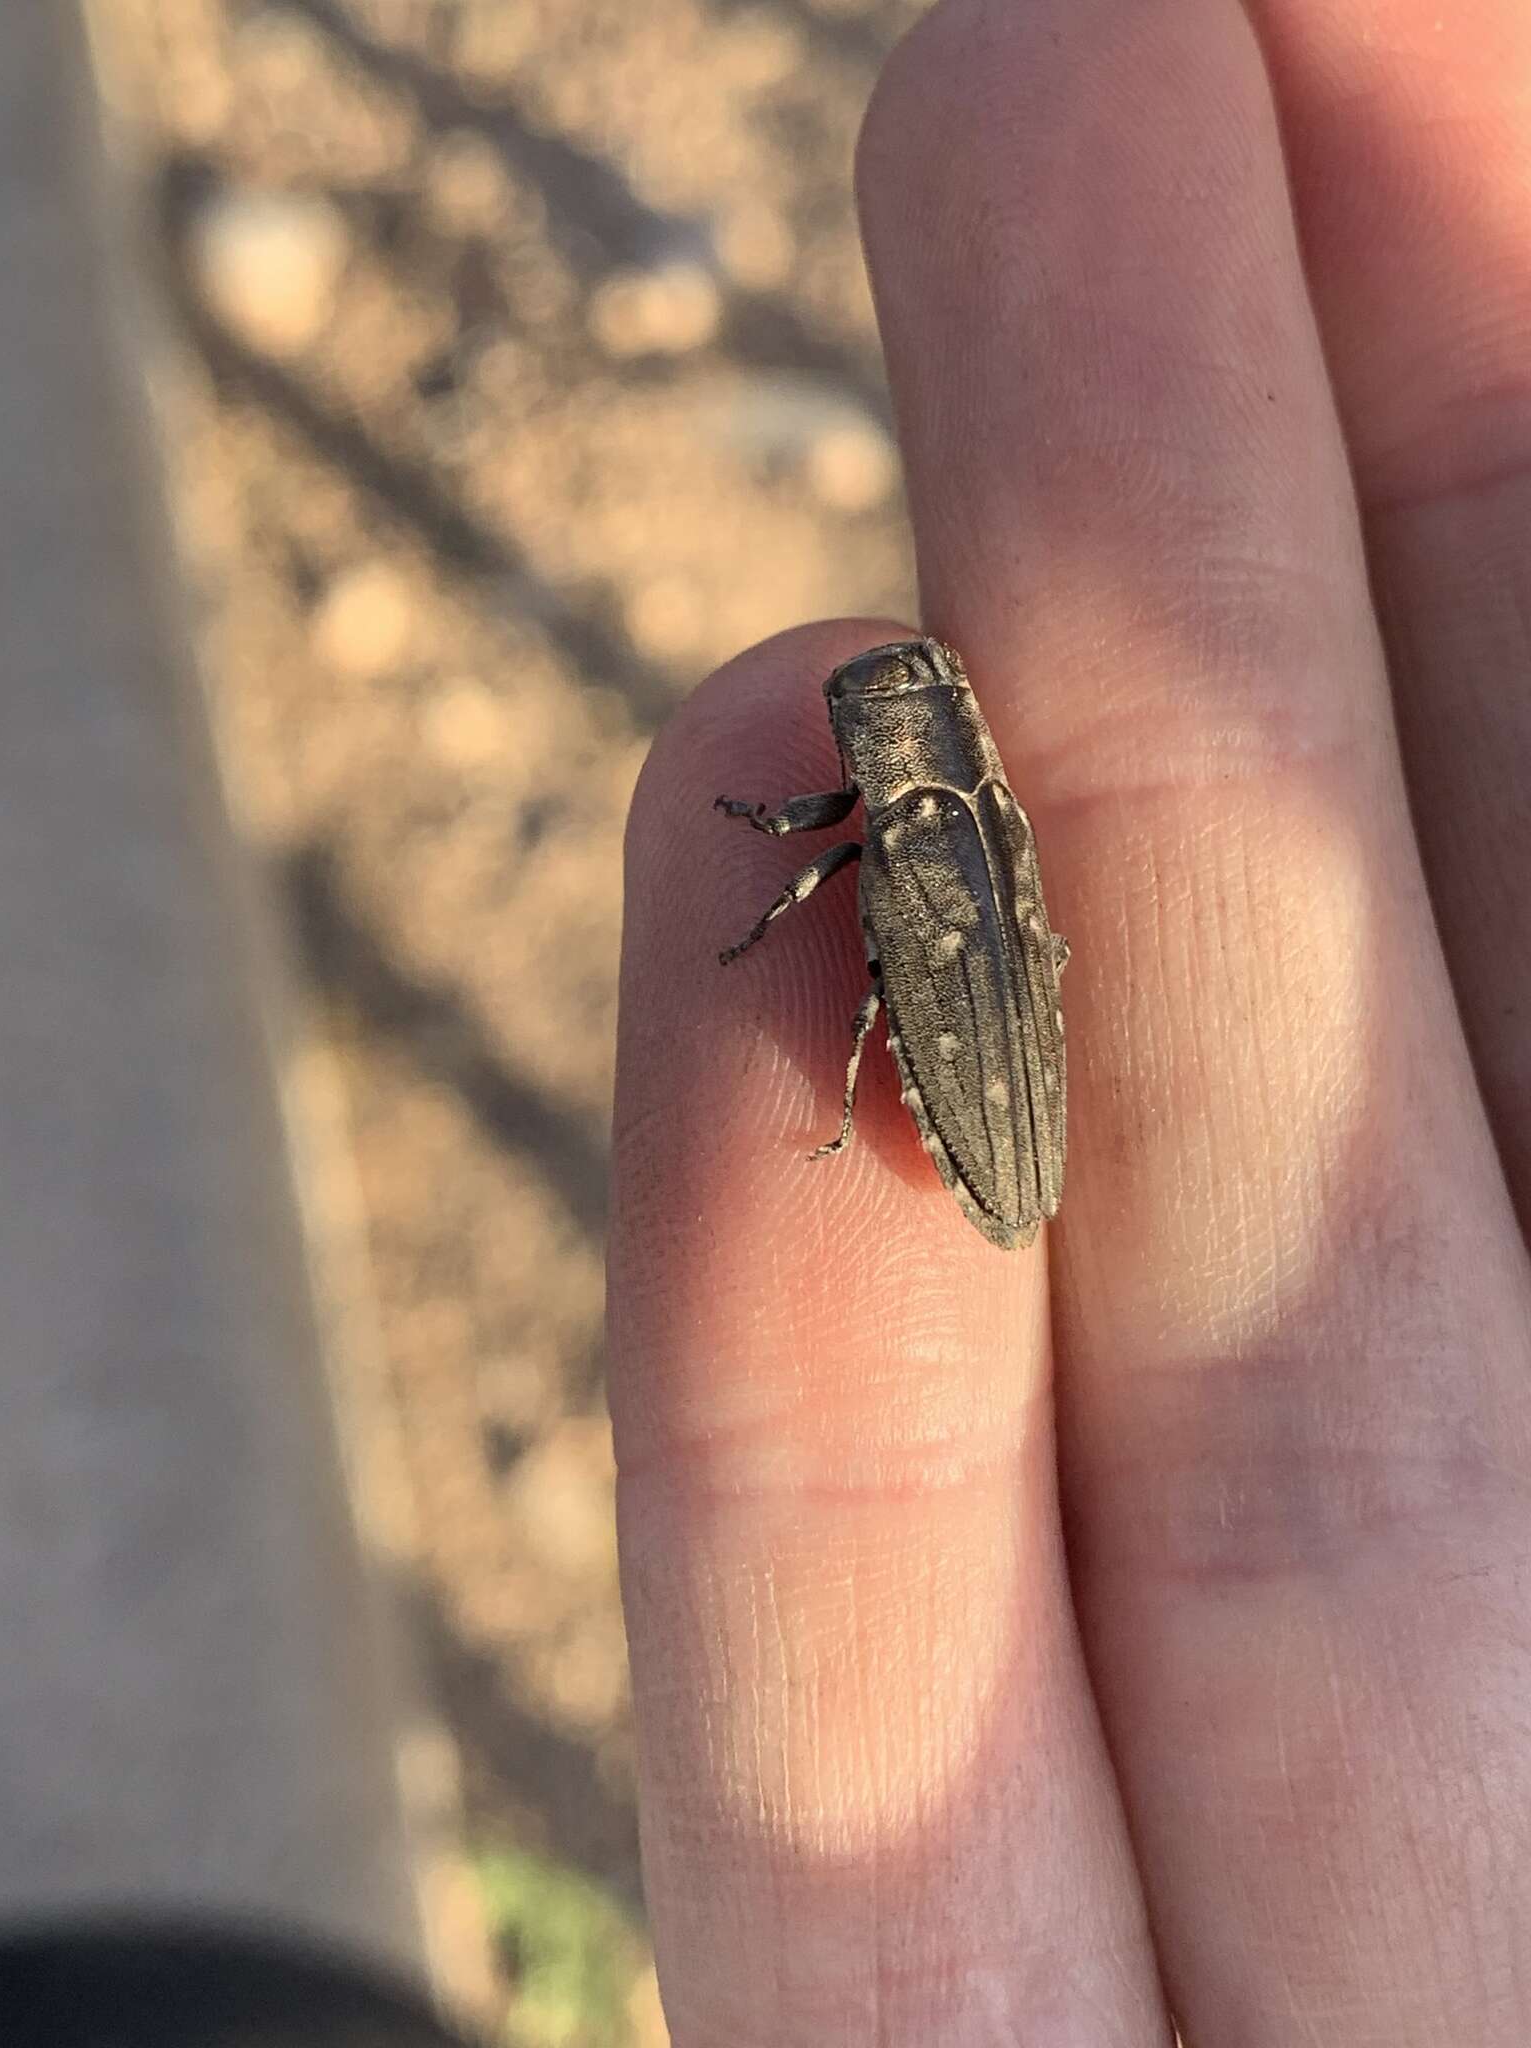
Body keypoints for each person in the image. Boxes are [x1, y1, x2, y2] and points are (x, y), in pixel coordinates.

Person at [609, 0, 1531, 2041]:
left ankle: (870, 1121)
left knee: (869, 1006)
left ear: (896, 741)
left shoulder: (912, 818)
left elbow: (810, 884)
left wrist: (788, 887)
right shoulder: (971, 803)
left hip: (974, 1053)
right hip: (984, 1023)